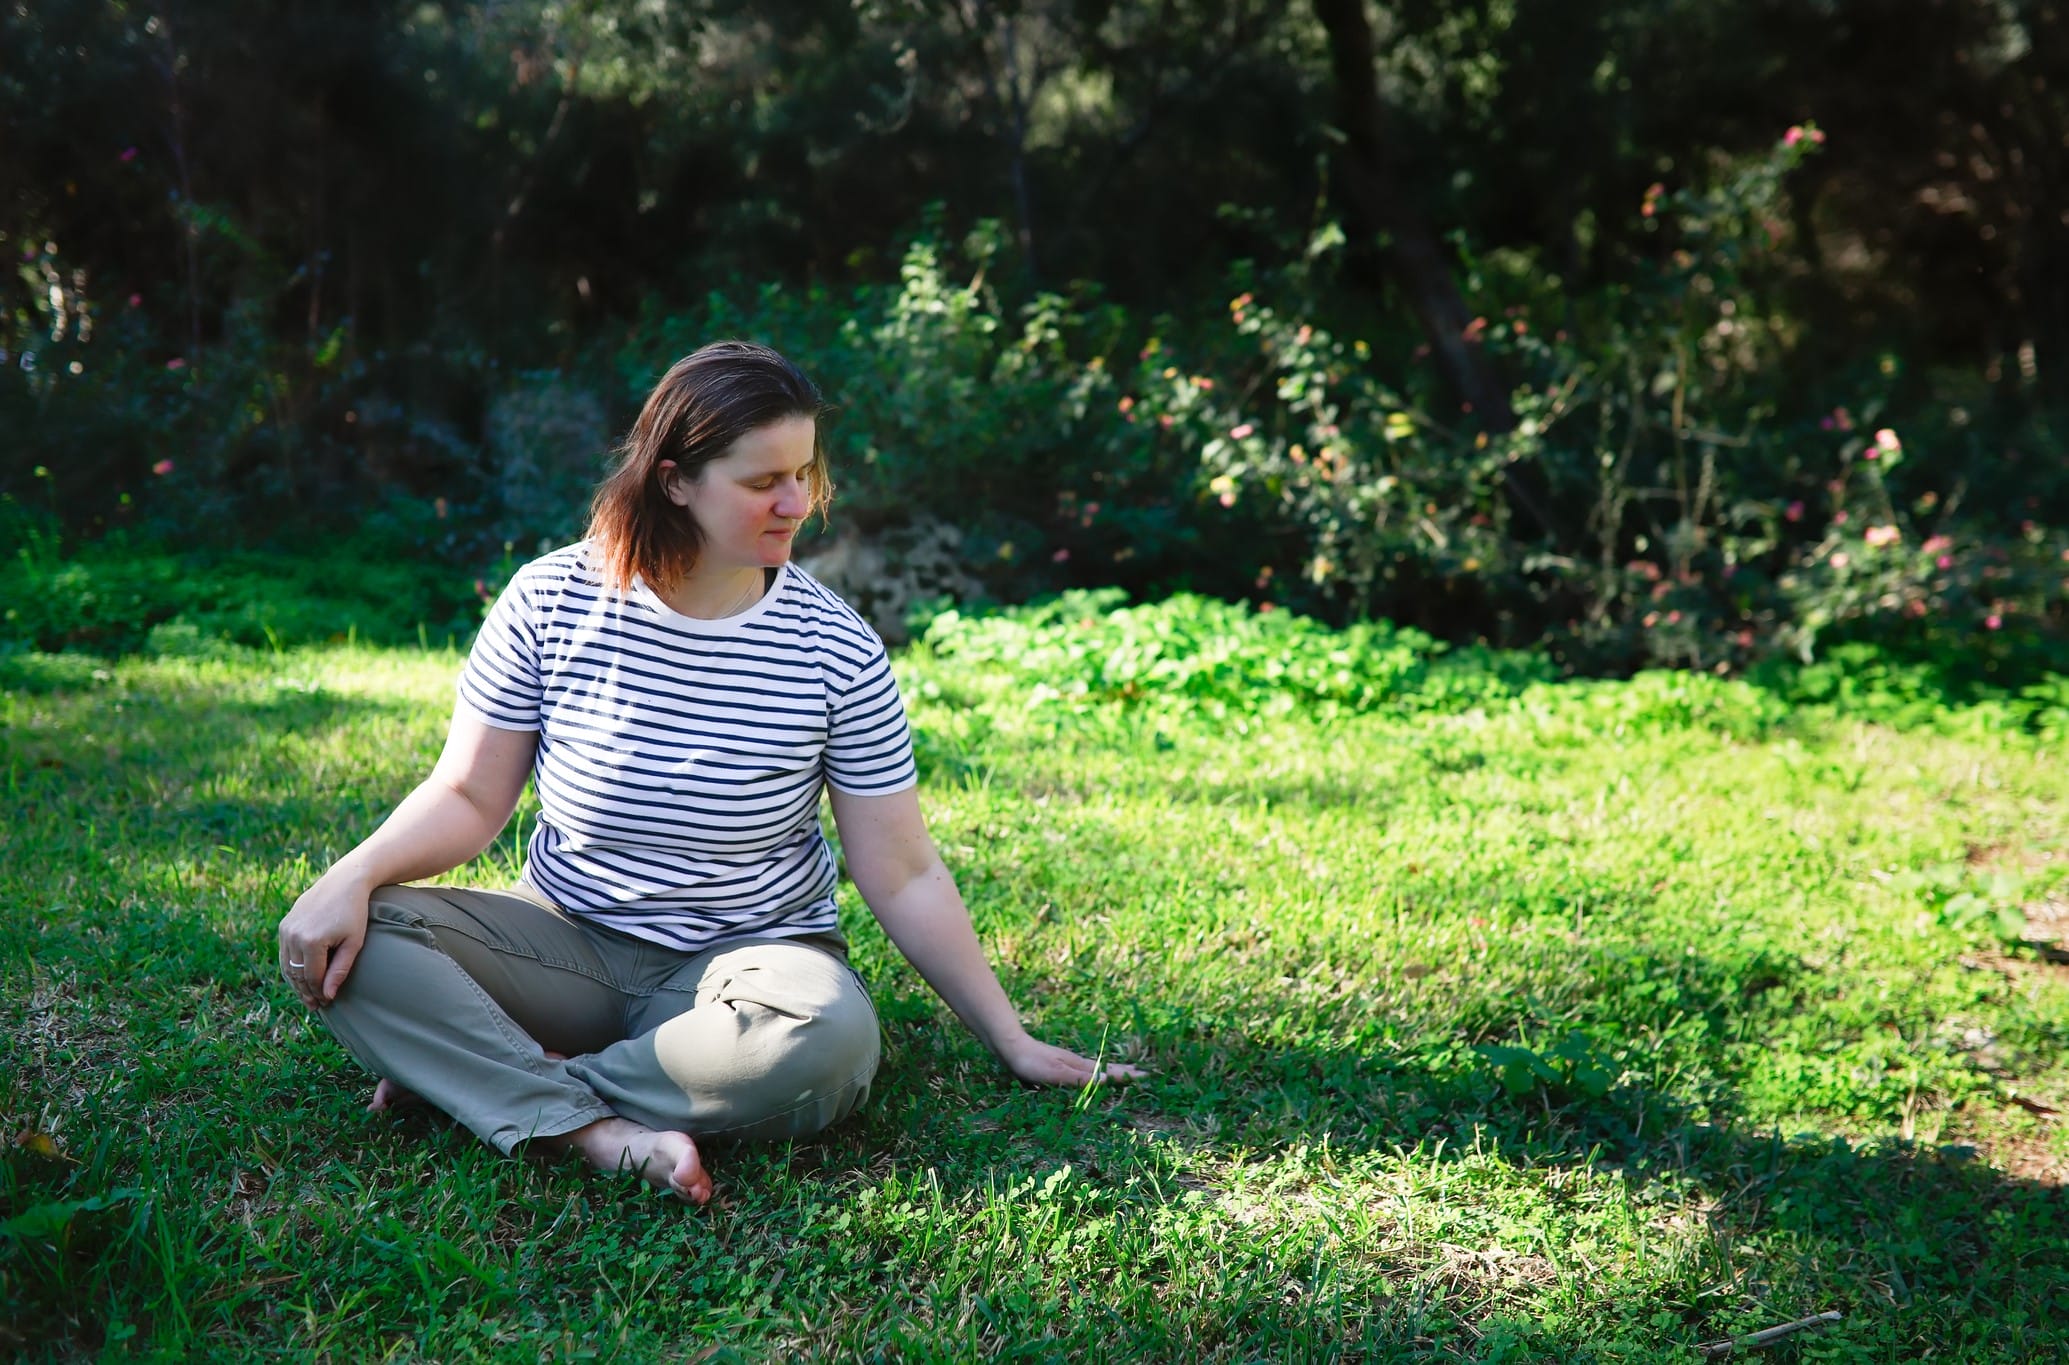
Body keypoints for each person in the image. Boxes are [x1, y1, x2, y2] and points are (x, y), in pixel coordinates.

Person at [277, 340, 1141, 1203]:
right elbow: (467, 794)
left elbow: (901, 867)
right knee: (361, 941)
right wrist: (349, 875)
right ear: (675, 480)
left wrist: (1009, 1036)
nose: (796, 500)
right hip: (567, 947)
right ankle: (597, 1130)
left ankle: (492, 1085)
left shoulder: (835, 647)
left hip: (749, 964)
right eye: (763, 480)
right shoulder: (551, 599)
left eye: (803, 472)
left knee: (829, 1040)